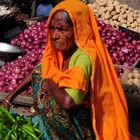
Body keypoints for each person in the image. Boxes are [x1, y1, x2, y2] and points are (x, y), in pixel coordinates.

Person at [2, 0, 132, 139]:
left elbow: (69, 101)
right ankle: (47, 124)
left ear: (78, 29)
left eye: (62, 29)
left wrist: (48, 84)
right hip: (66, 112)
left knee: (50, 98)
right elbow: (39, 70)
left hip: (83, 124)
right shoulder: (59, 51)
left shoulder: (84, 58)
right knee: (41, 73)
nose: (55, 35)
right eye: (52, 28)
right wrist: (10, 97)